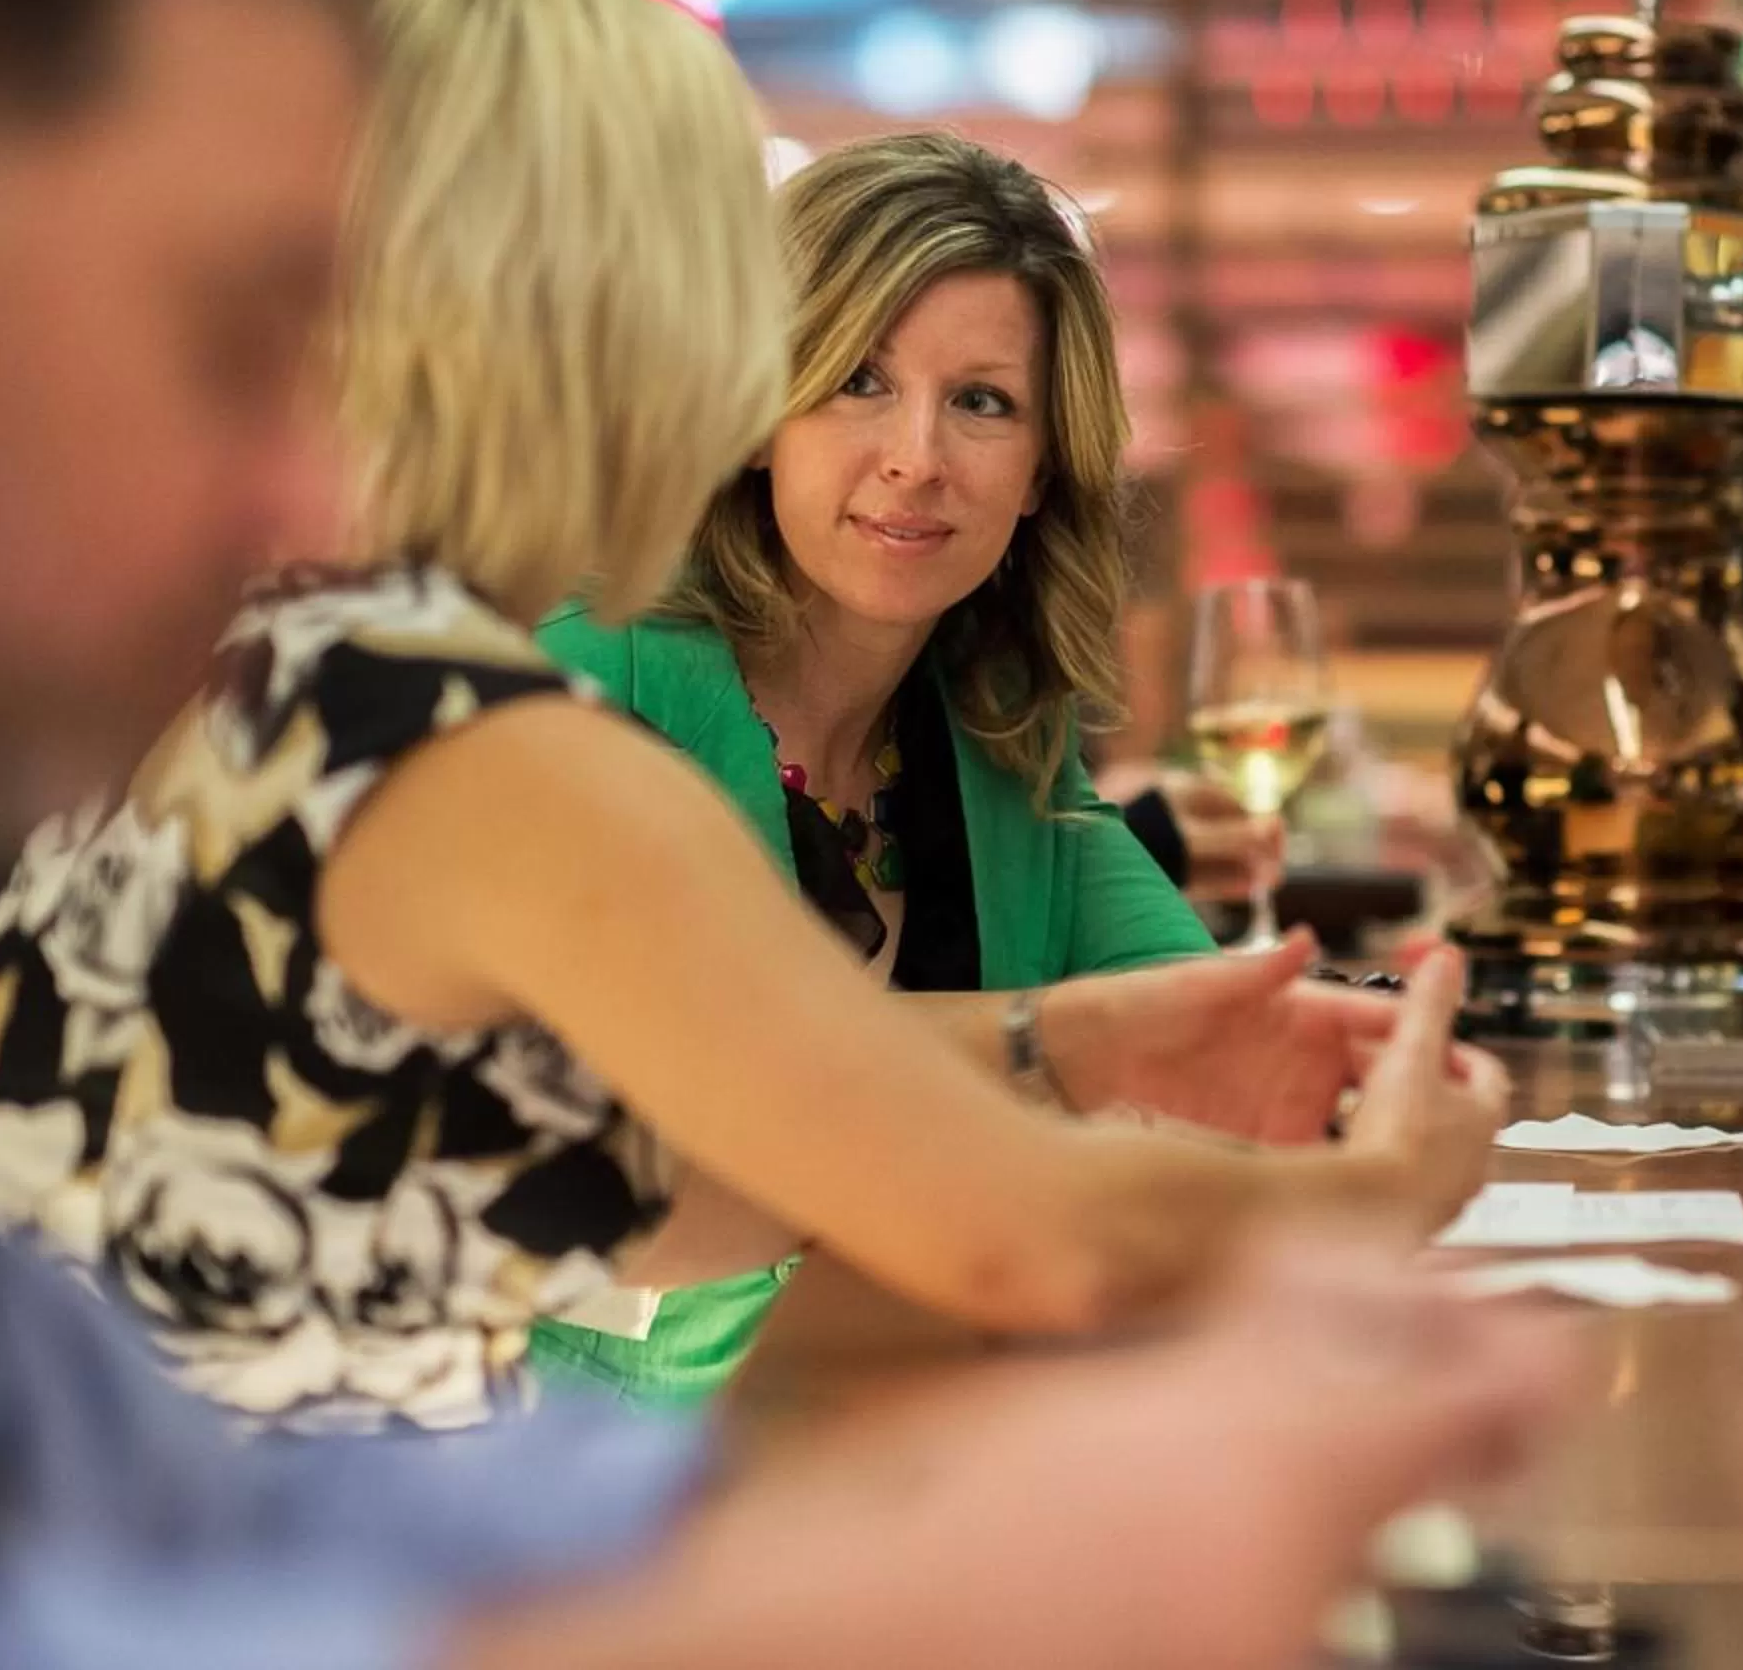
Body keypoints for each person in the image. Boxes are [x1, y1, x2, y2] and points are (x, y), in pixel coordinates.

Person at [0, 0, 1568, 1670]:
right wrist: (1370, 1199)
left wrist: (1062, 1037)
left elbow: (668, 1171)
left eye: (978, 404)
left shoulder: (251, 676)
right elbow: (1005, 1234)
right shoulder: (442, 725)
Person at [528, 129, 1350, 1402]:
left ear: (1037, 472)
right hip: (538, 1469)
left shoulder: (1001, 728)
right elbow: (661, 1128)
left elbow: (1200, 1037)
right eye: (860, 381)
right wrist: (1067, 1051)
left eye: (982, 402)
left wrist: (1363, 1055)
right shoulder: (591, 680)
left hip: (889, 1428)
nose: (918, 455)